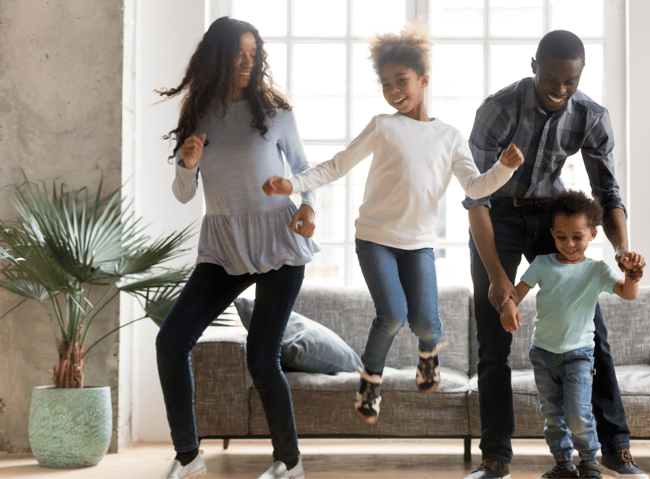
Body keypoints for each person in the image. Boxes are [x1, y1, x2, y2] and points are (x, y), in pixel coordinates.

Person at [262, 24, 523, 425]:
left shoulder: (449, 136)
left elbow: (475, 186)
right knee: (392, 314)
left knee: (423, 322)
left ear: (424, 80)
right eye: (386, 83)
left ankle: (429, 352)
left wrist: (503, 169)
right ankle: (370, 382)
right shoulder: (382, 126)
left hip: (418, 243)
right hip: (374, 239)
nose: (394, 90)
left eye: (401, 81)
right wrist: (293, 184)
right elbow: (338, 164)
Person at [464, 30, 648, 479]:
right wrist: (497, 276)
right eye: (551, 78)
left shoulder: (590, 115)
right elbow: (475, 199)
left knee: (592, 333)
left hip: (550, 218)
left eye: (570, 82)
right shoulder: (498, 109)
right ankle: (496, 458)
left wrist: (622, 249)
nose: (559, 90)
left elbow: (607, 192)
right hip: (498, 218)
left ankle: (616, 448)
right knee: (494, 338)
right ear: (533, 66)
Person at [154, 17, 317, 479]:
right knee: (171, 341)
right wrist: (188, 164)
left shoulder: (274, 110)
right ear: (218, 56)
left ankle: (289, 461)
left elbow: (304, 169)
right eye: (238, 55)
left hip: (279, 241)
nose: (248, 63)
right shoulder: (198, 112)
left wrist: (310, 209)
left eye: (253, 55)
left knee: (262, 357)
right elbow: (185, 193)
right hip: (224, 246)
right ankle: (188, 456)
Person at [499, 190, 642, 479]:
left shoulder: (597, 270)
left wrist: (632, 275)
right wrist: (508, 307)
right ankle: (563, 465)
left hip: (578, 356)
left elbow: (628, 294)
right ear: (552, 233)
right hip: (542, 354)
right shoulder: (542, 264)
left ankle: (589, 462)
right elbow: (517, 293)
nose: (569, 244)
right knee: (553, 417)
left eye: (577, 237)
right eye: (561, 237)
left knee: (578, 415)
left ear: (592, 233)